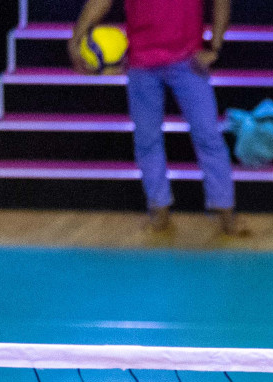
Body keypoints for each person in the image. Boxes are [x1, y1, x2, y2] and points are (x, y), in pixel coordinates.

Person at [69, 0, 248, 236]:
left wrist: (215, 46)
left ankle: (225, 212)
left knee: (208, 137)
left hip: (188, 61)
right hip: (141, 63)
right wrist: (76, 38)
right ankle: (159, 211)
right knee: (147, 140)